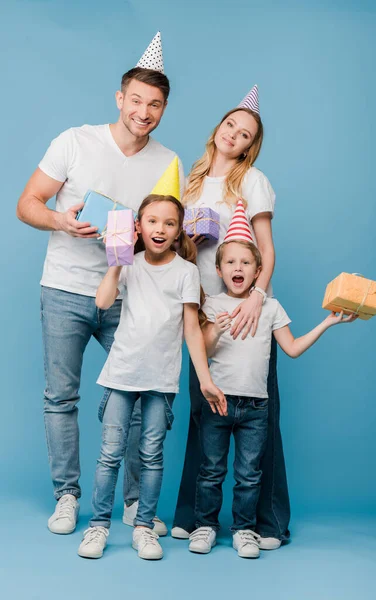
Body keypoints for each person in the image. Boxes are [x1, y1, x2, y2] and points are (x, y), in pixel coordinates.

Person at [16, 32, 183, 536]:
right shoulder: (75, 141)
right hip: (65, 287)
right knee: (60, 397)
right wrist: (63, 222)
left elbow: (167, 234)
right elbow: (27, 204)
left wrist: (146, 238)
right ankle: (67, 497)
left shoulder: (168, 163)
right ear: (120, 98)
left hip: (130, 298)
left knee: (137, 398)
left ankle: (133, 503)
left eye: (155, 104)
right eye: (136, 100)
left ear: (163, 108)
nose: (144, 111)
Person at [187, 214, 357, 559]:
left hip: (256, 407)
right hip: (218, 401)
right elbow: (200, 350)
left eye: (246, 262)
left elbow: (292, 348)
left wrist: (328, 322)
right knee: (210, 470)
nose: (239, 267)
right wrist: (216, 329)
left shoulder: (271, 307)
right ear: (219, 271)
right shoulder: (213, 305)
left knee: (249, 474)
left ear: (258, 269)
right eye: (231, 262)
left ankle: (243, 530)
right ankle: (204, 525)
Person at [77, 186, 226, 560]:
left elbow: (191, 328)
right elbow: (102, 301)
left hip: (161, 380)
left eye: (170, 223)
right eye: (153, 221)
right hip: (121, 375)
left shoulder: (187, 272)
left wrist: (206, 379)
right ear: (138, 227)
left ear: (179, 231)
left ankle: (144, 527)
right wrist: (116, 258)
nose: (161, 228)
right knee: (109, 454)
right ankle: (97, 527)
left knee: (151, 456)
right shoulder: (129, 264)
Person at [172, 85, 289, 549]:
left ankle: (268, 522)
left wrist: (258, 295)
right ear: (218, 128)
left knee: (260, 416)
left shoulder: (252, 180)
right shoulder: (189, 182)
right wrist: (190, 241)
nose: (234, 137)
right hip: (202, 308)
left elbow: (266, 248)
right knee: (204, 410)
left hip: (246, 310)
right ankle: (192, 514)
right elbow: (178, 249)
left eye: (245, 135)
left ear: (249, 146)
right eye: (230, 127)